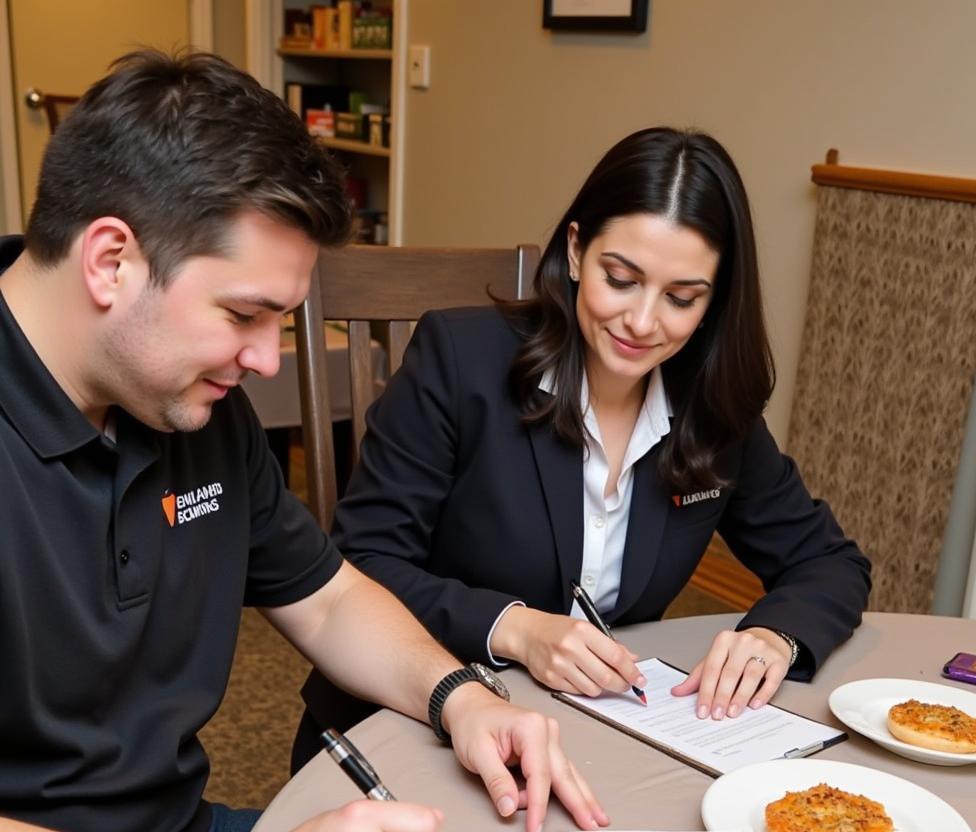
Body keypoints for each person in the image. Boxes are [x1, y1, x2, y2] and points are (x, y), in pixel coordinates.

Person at [0, 50, 607, 832]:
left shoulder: (190, 401)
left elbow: (325, 597)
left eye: (282, 320)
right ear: (110, 260)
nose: (265, 359)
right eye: (245, 314)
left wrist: (458, 696)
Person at [294, 127, 871, 767]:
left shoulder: (711, 410)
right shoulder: (460, 361)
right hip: (405, 726)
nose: (643, 322)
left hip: (588, 738)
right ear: (575, 251)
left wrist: (775, 635)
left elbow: (829, 561)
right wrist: (517, 629)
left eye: (681, 298)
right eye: (621, 279)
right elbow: (363, 562)